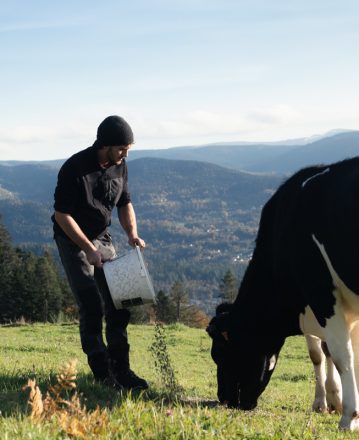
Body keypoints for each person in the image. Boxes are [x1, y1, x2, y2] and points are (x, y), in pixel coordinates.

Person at [52, 115, 148, 390]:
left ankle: (123, 370)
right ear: (104, 145)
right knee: (92, 305)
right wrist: (89, 249)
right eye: (121, 148)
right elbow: (62, 216)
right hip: (73, 241)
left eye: (128, 148)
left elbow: (125, 203)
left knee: (120, 302)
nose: (125, 153)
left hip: (102, 237)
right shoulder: (75, 168)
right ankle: (103, 373)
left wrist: (132, 234)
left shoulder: (120, 165)